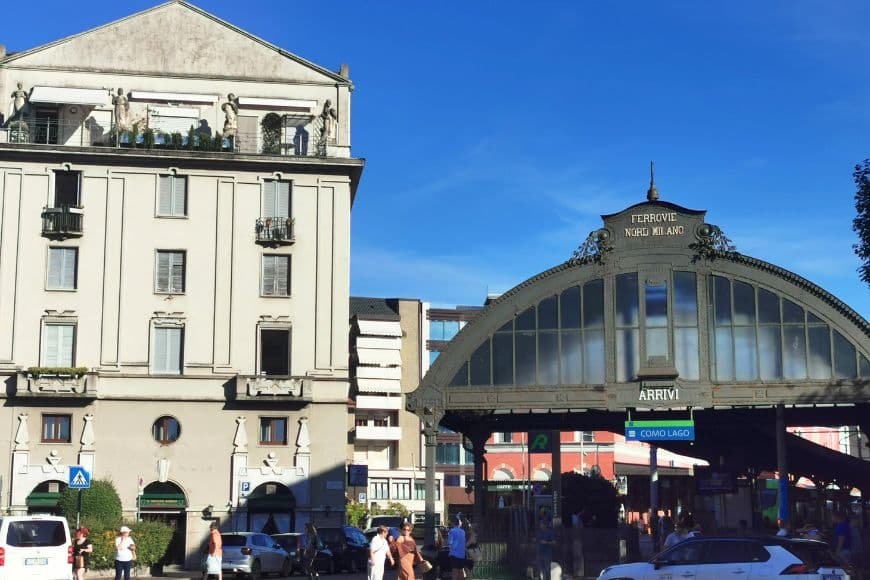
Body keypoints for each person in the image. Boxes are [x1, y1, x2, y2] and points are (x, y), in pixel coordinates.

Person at [447, 515, 466, 580]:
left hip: (454, 554)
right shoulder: (463, 532)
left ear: (453, 523)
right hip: (462, 554)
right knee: (461, 571)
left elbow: (450, 542)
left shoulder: (452, 531)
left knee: (454, 571)